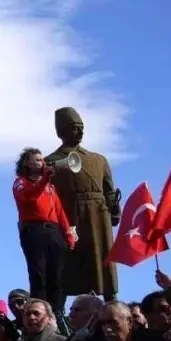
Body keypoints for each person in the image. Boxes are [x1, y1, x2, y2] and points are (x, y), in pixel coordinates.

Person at [47, 107, 120, 302]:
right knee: (69, 270)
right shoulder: (51, 162)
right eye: (74, 128)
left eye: (81, 127)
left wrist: (114, 211)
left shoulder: (98, 160)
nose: (80, 132)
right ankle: (61, 313)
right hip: (71, 217)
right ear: (61, 132)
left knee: (104, 266)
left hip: (99, 217)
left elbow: (109, 190)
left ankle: (111, 305)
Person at [13, 148, 77, 315]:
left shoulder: (50, 187)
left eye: (42, 160)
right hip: (34, 231)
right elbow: (29, 196)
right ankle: (38, 312)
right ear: (27, 163)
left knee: (57, 277)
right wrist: (45, 179)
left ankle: (56, 314)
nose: (42, 163)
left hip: (54, 232)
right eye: (38, 160)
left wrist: (69, 234)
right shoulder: (20, 182)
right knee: (39, 275)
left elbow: (60, 211)